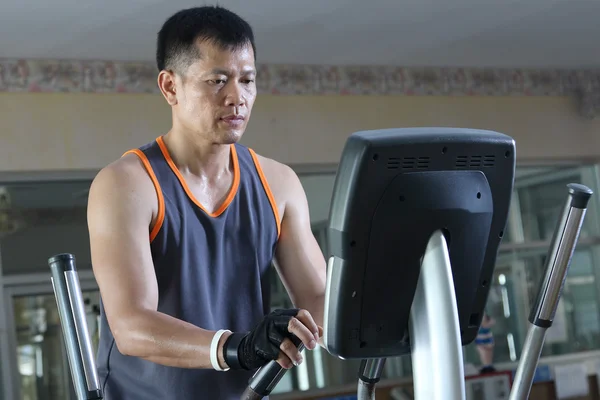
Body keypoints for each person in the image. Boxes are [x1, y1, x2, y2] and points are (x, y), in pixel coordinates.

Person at [87, 6, 327, 399]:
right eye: (217, 81)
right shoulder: (127, 184)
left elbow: (318, 300)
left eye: (247, 80)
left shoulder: (277, 183)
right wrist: (238, 347)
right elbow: (131, 325)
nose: (238, 97)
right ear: (170, 87)